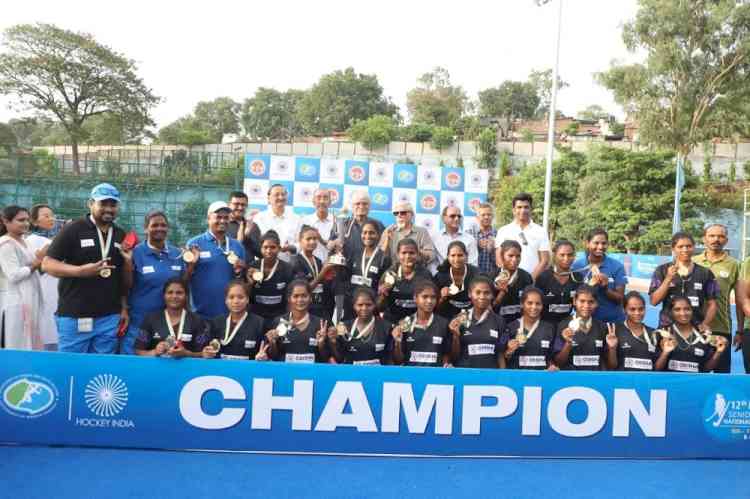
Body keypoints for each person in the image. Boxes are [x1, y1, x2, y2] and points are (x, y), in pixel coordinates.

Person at [43, 183, 131, 354]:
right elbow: (47, 264)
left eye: (113, 205)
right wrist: (81, 271)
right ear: (90, 204)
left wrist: (124, 307)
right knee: (70, 370)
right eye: (103, 204)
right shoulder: (73, 229)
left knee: (101, 373)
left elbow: (121, 279)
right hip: (75, 316)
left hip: (109, 317)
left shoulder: (121, 234)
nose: (108, 209)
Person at [125, 211, 187, 354]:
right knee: (134, 369)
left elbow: (183, 285)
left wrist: (191, 267)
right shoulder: (135, 253)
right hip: (139, 324)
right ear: (146, 228)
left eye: (163, 225)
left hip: (168, 326)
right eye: (155, 225)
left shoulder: (177, 254)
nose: (160, 228)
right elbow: (126, 286)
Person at [692, 224, 741, 373]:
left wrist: (740, 331)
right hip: (695, 327)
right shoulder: (693, 261)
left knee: (722, 375)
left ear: (726, 240)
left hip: (721, 328)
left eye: (720, 236)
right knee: (696, 373)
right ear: (704, 239)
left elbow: (740, 299)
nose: (716, 239)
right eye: (712, 236)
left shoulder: (734, 265)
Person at [186, 201, 246, 320]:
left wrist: (240, 272)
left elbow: (242, 281)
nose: (222, 221)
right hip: (200, 315)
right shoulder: (194, 244)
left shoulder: (237, 246)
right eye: (218, 217)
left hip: (230, 315)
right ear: (208, 218)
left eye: (226, 217)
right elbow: (185, 278)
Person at [649, 231, 718, 331]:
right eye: (680, 246)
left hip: (695, 329)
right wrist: (668, 279)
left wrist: (705, 324)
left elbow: (713, 304)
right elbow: (654, 301)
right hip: (668, 328)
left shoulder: (705, 273)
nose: (685, 249)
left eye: (688, 246)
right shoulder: (662, 270)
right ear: (673, 248)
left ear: (693, 247)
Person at [0, 206, 43, 350]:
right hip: (16, 303)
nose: (26, 223)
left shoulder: (26, 241)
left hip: (31, 299)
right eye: (21, 220)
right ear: (6, 221)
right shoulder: (5, 244)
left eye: (27, 220)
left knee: (30, 343)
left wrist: (42, 262)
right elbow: (13, 275)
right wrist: (35, 265)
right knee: (17, 344)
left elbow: (35, 269)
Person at [134, 278, 212, 358]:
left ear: (186, 296)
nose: (174, 296)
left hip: (188, 369)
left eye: (179, 293)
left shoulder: (197, 321)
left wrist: (186, 353)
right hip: (158, 369)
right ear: (164, 295)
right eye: (170, 292)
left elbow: (204, 354)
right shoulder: (151, 319)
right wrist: (155, 352)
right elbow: (138, 351)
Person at [390, 279, 455, 367]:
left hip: (435, 377)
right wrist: (397, 343)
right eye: (425, 297)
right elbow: (398, 360)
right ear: (415, 298)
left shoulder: (443, 323)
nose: (429, 301)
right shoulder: (404, 323)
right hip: (411, 377)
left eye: (433, 297)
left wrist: (446, 364)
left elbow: (446, 354)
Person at [264, 279, 331, 363]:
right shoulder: (278, 322)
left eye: (304, 296)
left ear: (310, 298)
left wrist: (321, 345)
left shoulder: (320, 324)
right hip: (286, 374)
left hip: (311, 374)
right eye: (295, 296)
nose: (300, 300)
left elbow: (326, 359)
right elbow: (273, 357)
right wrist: (272, 343)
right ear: (289, 299)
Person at [572, 228, 627, 324]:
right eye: (596, 243)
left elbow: (620, 298)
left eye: (604, 243)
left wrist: (605, 289)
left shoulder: (617, 266)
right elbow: (574, 296)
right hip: (585, 322)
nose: (600, 247)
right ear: (587, 243)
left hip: (612, 322)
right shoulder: (577, 266)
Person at [659, 296, 726, 373]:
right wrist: (665, 353)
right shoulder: (664, 334)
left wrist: (718, 352)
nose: (683, 313)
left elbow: (705, 369)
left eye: (687, 309)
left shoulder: (704, 336)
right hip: (669, 383)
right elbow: (656, 369)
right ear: (671, 312)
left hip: (694, 384)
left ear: (692, 311)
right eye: (677, 310)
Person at [341, 220, 391, 321]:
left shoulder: (384, 258)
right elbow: (345, 276)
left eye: (372, 233)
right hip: (352, 304)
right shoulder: (354, 253)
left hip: (370, 306)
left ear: (378, 235)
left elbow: (385, 283)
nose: (367, 236)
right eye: (365, 232)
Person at [451, 276, 505, 368]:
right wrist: (455, 336)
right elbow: (454, 357)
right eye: (478, 292)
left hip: (490, 376)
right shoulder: (461, 319)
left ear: (492, 295)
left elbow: (500, 354)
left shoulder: (499, 321)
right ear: (470, 294)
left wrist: (503, 378)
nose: (482, 296)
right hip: (466, 375)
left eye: (486, 293)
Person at [494, 193, 550, 280]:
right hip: (507, 281)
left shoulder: (540, 231)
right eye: (519, 207)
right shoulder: (503, 231)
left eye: (526, 207)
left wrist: (530, 279)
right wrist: (506, 278)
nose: (523, 210)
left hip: (532, 281)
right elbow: (498, 257)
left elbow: (544, 260)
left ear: (531, 209)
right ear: (513, 210)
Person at [26, 204, 60, 350]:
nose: (51, 218)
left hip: (57, 293)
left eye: (52, 215)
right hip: (43, 292)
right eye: (46, 216)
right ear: (34, 221)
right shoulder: (32, 240)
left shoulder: (54, 240)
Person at [330, 287, 392, 365]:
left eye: (368, 305)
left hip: (377, 375)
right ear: (354, 306)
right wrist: (333, 343)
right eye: (360, 305)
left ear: (374, 305)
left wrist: (397, 343)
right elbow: (339, 358)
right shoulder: (343, 327)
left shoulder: (386, 327)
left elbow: (391, 359)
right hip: (352, 375)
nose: (364, 308)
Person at [206, 280, 266, 360]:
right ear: (226, 300)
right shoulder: (216, 322)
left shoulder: (259, 323)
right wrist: (205, 351)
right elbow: (202, 340)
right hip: (221, 370)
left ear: (247, 299)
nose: (236, 301)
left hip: (248, 370)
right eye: (231, 297)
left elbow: (266, 351)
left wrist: (264, 356)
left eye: (240, 297)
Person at [377, 238, 432, 324]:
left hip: (417, 322)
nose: (408, 256)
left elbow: (431, 302)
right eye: (404, 253)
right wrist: (382, 295)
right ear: (398, 255)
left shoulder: (425, 275)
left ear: (417, 254)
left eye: (411, 253)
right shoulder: (389, 274)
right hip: (392, 321)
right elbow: (379, 306)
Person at [247, 230, 295, 330]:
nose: (269, 251)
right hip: (256, 316)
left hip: (279, 316)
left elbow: (290, 297)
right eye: (265, 247)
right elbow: (246, 294)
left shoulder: (287, 268)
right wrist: (250, 283)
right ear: (261, 249)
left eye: (273, 247)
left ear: (279, 248)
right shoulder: (253, 267)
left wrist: (287, 319)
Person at [501, 286, 557, 370]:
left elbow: (551, 358)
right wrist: (508, 351)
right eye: (529, 303)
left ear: (542, 305)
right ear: (522, 304)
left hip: (541, 379)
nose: (534, 307)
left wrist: (552, 367)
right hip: (517, 379)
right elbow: (501, 357)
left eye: (538, 304)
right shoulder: (510, 327)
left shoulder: (550, 328)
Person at [553, 285, 608, 371]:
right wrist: (568, 343)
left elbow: (609, 363)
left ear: (596, 303)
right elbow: (558, 362)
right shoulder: (563, 325)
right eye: (582, 301)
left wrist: (612, 348)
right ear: (574, 301)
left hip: (595, 380)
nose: (586, 305)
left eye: (591, 302)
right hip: (571, 380)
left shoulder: (602, 327)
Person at [606, 292, 664, 371]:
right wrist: (612, 349)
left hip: (646, 382)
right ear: (624, 310)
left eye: (641, 309)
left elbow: (657, 369)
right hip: (623, 382)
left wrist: (665, 353)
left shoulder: (655, 334)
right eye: (632, 309)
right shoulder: (614, 332)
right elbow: (611, 366)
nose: (637, 313)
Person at [291, 225, 337, 322]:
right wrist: (323, 271)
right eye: (308, 239)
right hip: (307, 307)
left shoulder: (318, 261)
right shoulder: (296, 262)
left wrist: (331, 273)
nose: (312, 242)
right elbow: (306, 289)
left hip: (322, 306)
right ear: (300, 240)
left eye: (315, 239)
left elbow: (324, 283)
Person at [534, 240, 584, 327]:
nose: (566, 258)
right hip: (545, 326)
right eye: (562, 255)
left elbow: (581, 304)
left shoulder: (578, 278)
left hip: (569, 326)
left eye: (570, 255)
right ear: (554, 255)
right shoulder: (543, 277)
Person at [379, 201, 435, 268]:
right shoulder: (389, 231)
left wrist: (415, 251)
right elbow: (380, 256)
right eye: (396, 213)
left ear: (411, 214)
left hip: (416, 271)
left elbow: (431, 255)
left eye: (403, 213)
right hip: (395, 271)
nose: (399, 215)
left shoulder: (422, 232)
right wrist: (387, 240)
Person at [252, 184, 300, 262]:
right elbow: (254, 243)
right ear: (268, 198)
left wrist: (291, 247)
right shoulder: (259, 218)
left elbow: (300, 243)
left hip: (288, 265)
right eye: (277, 195)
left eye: (283, 194)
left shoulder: (296, 219)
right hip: (264, 264)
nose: (281, 197)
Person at [329, 190, 384, 257]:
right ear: (352, 206)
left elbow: (383, 246)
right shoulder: (342, 223)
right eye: (357, 204)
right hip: (345, 265)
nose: (361, 206)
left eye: (365, 204)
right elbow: (329, 245)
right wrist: (334, 243)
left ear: (369, 206)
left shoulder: (378, 225)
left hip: (368, 264)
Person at [433, 241, 480, 319]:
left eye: (460, 255)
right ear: (448, 257)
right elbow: (432, 307)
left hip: (471, 318)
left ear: (467, 256)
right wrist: (442, 297)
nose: (456, 259)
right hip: (446, 317)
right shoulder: (440, 276)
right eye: (453, 255)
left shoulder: (476, 274)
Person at [492, 240, 534, 324]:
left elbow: (530, 306)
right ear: (502, 256)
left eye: (518, 256)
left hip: (519, 324)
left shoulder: (526, 277)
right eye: (510, 256)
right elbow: (489, 307)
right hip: (497, 323)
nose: (514, 259)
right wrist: (501, 292)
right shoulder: (491, 277)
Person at [431, 206, 478, 273]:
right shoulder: (434, 238)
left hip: (464, 278)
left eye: (459, 216)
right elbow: (432, 263)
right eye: (452, 216)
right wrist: (437, 276)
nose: (456, 219)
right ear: (444, 218)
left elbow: (473, 263)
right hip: (440, 279)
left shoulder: (470, 239)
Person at [301, 188, 336, 263]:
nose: (322, 201)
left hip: (332, 267)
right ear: (313, 201)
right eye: (318, 198)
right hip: (309, 265)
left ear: (330, 202)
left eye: (325, 198)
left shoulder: (336, 221)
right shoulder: (305, 221)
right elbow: (299, 244)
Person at [226, 191, 261, 263]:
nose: (240, 207)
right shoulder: (223, 225)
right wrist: (241, 238)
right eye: (236, 204)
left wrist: (247, 238)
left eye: (243, 205)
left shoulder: (253, 226)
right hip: (227, 269)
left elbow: (260, 253)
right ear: (229, 205)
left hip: (248, 271)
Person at [466, 203, 498, 276]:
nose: (486, 217)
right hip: (472, 275)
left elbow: (499, 262)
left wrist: (493, 250)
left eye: (489, 214)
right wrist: (476, 245)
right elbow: (464, 255)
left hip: (491, 275)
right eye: (483, 215)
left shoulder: (498, 234)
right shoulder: (469, 233)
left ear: (492, 217)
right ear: (477, 217)